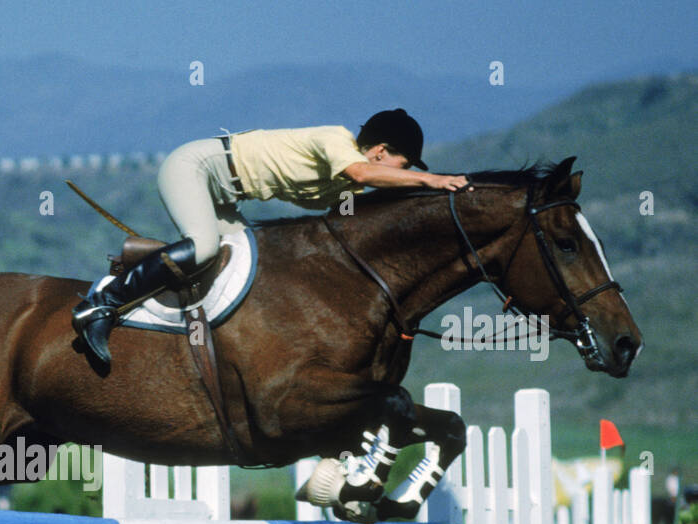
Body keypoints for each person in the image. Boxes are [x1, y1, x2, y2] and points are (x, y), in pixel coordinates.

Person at [72, 109, 471, 366]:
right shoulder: (336, 140)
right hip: (195, 168)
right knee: (205, 246)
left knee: (251, 268)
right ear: (381, 151)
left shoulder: (350, 184)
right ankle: (103, 304)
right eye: (402, 166)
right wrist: (432, 178)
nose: (401, 173)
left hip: (225, 196)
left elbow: (353, 218)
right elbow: (363, 175)